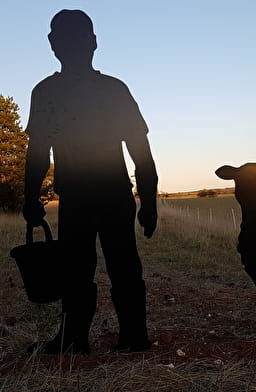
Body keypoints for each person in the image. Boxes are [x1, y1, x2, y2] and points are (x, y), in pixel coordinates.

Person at [23, 9, 158, 354]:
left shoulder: (49, 92)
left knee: (89, 267)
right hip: (103, 196)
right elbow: (141, 153)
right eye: (67, 38)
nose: (70, 45)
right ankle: (121, 338)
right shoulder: (110, 90)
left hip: (90, 197)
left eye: (73, 38)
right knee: (110, 265)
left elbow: (39, 153)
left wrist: (31, 198)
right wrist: (148, 203)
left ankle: (83, 338)